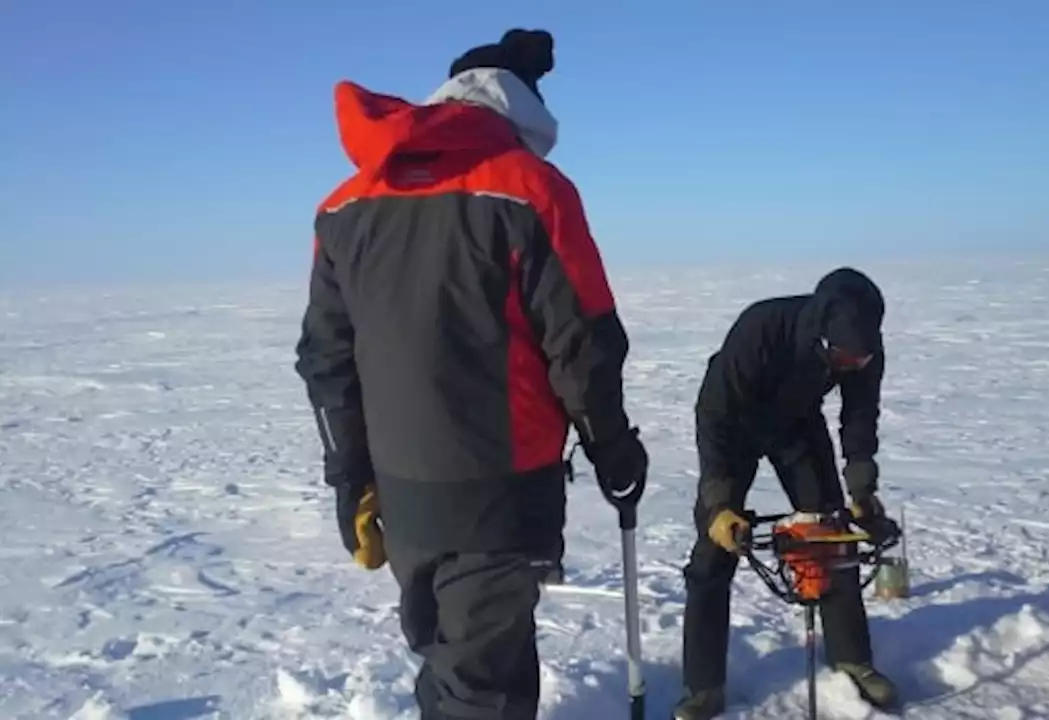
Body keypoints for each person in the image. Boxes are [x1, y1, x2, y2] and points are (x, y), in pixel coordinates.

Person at [293, 28, 648, 720]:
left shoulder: (344, 206)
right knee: (482, 689)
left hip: (404, 500)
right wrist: (612, 448)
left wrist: (351, 479)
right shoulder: (532, 190)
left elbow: (326, 360)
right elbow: (583, 343)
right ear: (520, 110)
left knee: (457, 661)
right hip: (501, 493)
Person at [673, 267, 901, 719]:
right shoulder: (761, 328)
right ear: (821, 335)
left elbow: (859, 418)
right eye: (844, 359)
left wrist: (862, 488)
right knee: (714, 551)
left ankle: (852, 660)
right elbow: (715, 414)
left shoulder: (864, 351)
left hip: (796, 424)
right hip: (733, 424)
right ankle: (703, 687)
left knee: (831, 536)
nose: (852, 367)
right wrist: (719, 504)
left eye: (860, 360)